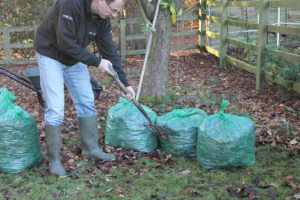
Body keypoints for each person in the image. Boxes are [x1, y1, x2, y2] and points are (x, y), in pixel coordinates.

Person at [34, 0, 135, 176]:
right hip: (50, 54)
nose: (115, 15)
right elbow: (64, 42)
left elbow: (109, 51)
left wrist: (125, 84)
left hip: (74, 57)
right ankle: (55, 161)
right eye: (114, 10)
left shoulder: (102, 18)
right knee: (56, 109)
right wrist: (96, 62)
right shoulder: (71, 4)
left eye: (118, 12)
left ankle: (90, 148)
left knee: (87, 101)